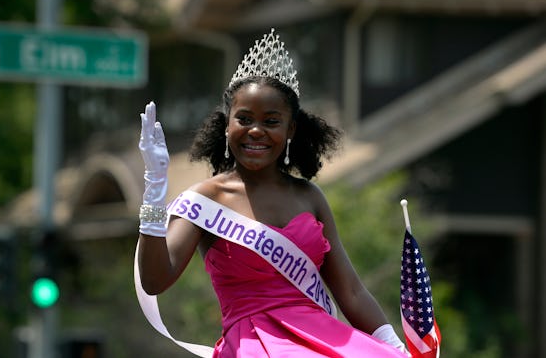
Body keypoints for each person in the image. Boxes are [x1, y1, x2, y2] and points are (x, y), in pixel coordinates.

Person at [136, 29, 408, 357]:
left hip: (323, 341)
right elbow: (154, 280)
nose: (256, 130)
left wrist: (395, 347)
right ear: (227, 125)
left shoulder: (310, 197)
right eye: (244, 119)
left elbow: (350, 291)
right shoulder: (205, 200)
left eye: (271, 121)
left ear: (290, 129)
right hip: (252, 344)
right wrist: (154, 190)